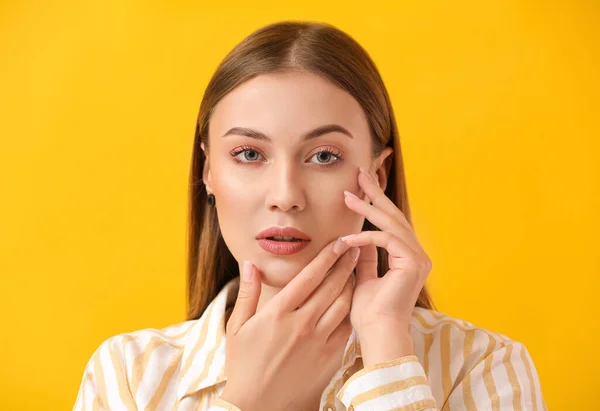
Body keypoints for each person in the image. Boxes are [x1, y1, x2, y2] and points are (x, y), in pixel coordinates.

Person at [73, 20, 547, 411]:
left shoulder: (483, 364)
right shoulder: (128, 377)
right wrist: (248, 403)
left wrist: (384, 345)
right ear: (208, 172)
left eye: (323, 156)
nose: (285, 196)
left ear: (378, 176)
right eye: (248, 154)